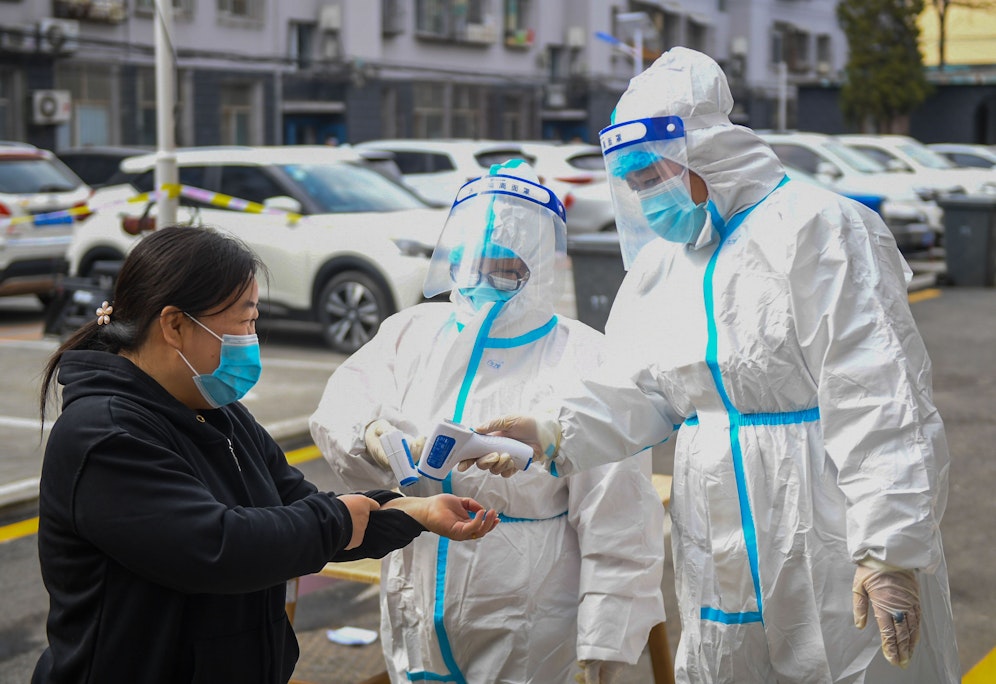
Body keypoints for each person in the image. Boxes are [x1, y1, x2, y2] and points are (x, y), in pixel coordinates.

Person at [478, 48, 960, 683]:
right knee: (723, 666)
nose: (649, 198)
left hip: (825, 518)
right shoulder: (664, 266)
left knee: (851, 663)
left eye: (657, 175)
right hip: (715, 525)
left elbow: (879, 394)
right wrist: (549, 430)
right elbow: (643, 389)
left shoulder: (820, 228)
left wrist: (889, 550)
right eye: (637, 183)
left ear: (708, 151)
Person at [32, 225, 498, 684]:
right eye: (245, 321)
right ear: (174, 325)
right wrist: (335, 519)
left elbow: (299, 506)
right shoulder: (104, 435)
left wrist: (414, 511)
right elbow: (217, 548)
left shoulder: (220, 414)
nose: (252, 339)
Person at [309, 160, 666, 684]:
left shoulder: (584, 357)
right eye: (468, 262)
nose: (481, 280)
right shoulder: (412, 332)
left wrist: (605, 639)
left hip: (526, 614)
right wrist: (369, 436)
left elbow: (621, 520)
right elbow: (341, 403)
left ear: (540, 267)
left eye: (505, 267)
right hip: (412, 594)